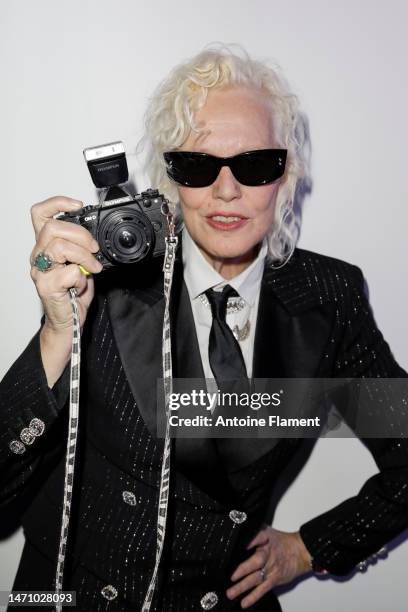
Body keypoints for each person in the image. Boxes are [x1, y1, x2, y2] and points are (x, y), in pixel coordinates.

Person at [1, 44, 408, 612]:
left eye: (255, 163)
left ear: (285, 175)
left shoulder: (327, 296)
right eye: (197, 165)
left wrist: (312, 548)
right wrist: (55, 333)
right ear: (170, 180)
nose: (225, 191)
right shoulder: (108, 280)